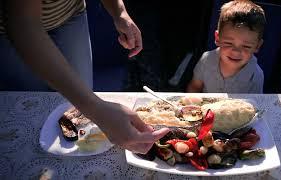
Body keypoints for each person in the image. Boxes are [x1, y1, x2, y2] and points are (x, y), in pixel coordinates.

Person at [0, 0, 169, 154]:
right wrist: (96, 109)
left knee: (80, 102)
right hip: (16, 31)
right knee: (30, 116)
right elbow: (23, 24)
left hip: (71, 14)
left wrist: (118, 10)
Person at [187, 0, 266, 93]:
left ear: (257, 46)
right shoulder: (206, 60)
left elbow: (256, 104)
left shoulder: (256, 75)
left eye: (246, 46)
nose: (236, 51)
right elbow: (195, 87)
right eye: (229, 43)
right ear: (217, 38)